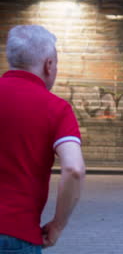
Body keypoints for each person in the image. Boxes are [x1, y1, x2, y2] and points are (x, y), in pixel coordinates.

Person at [0, 25, 86, 253]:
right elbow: (74, 169)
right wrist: (58, 224)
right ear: (49, 65)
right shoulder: (56, 109)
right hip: (15, 234)